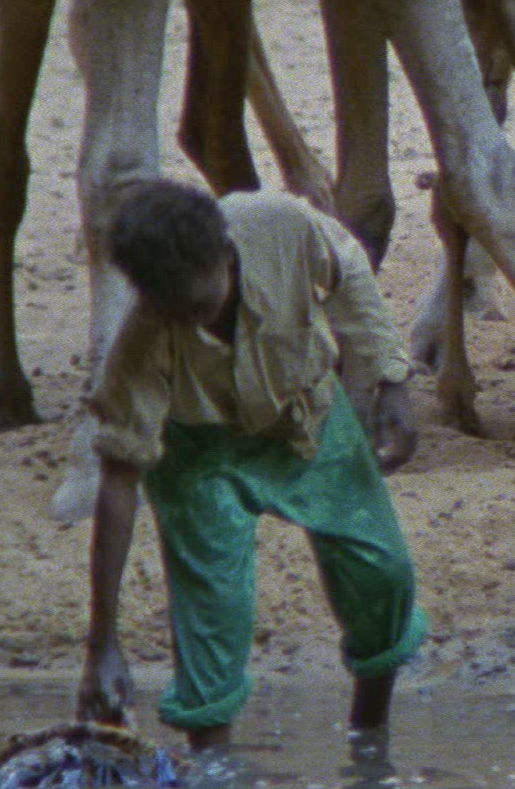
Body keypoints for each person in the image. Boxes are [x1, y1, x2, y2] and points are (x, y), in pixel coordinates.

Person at [76, 178, 429, 750]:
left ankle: (369, 735)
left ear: (225, 252)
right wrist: (102, 645)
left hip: (305, 413)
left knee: (379, 572)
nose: (193, 324)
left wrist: (392, 379)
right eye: (175, 315)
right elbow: (118, 482)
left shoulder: (280, 225)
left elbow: (349, 274)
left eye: (202, 306)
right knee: (211, 615)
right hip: (197, 456)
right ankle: (212, 771)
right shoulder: (143, 338)